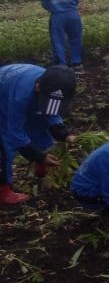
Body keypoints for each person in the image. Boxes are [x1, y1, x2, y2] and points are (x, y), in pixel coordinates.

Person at [0, 64, 76, 205]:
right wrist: (38, 156)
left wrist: (64, 134)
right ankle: (3, 191)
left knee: (39, 124)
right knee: (4, 144)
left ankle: (42, 165)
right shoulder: (20, 98)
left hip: (26, 92)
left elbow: (50, 113)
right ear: (37, 87)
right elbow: (15, 133)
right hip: (3, 96)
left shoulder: (54, 82)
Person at [38, 0, 83, 68]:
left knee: (58, 42)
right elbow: (77, 0)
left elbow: (45, 5)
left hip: (58, 17)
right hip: (73, 15)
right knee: (76, 39)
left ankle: (61, 66)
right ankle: (77, 64)